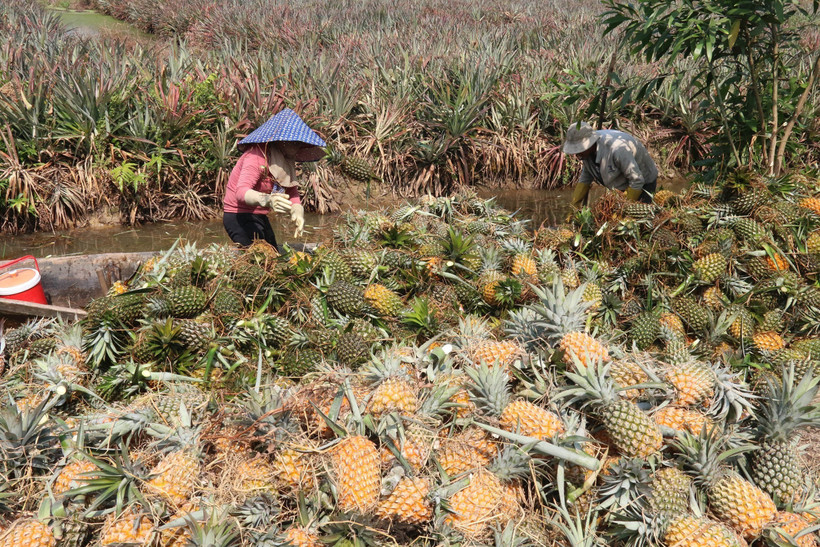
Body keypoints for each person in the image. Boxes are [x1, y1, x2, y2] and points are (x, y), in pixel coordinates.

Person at [222, 108, 326, 248]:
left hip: (260, 216)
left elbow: (292, 193)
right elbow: (241, 192)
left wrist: (298, 212)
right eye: (293, 141)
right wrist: (268, 200)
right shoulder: (256, 156)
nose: (298, 145)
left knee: (274, 255)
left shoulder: (284, 161)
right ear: (281, 140)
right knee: (259, 259)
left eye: (299, 141)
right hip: (238, 215)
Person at [563, 121, 658, 208]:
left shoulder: (617, 149)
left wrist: (623, 208)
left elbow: (637, 181)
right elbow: (586, 177)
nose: (577, 154)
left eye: (579, 150)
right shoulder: (586, 153)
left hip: (644, 181)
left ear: (590, 144)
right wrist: (574, 206)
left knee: (634, 219)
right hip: (621, 185)